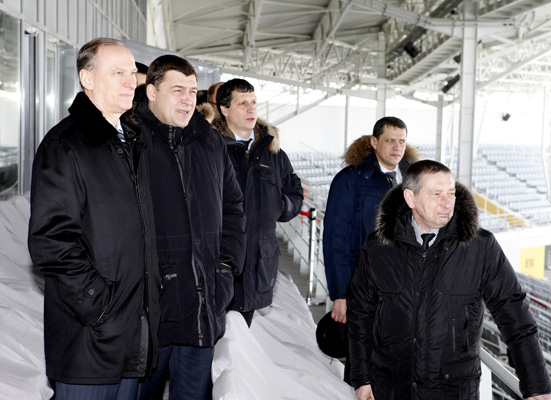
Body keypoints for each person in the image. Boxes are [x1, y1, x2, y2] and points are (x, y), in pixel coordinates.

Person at [346, 159, 551, 400]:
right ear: (410, 198)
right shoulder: (378, 247)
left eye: (451, 193)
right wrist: (361, 378)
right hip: (391, 386)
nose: (447, 203)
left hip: (453, 390)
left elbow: (515, 316)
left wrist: (537, 386)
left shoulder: (480, 247)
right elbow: (359, 314)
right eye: (436, 194)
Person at [28, 38, 161, 399]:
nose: (129, 80)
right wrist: (101, 305)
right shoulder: (66, 145)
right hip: (89, 340)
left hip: (133, 332)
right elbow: (51, 242)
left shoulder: (130, 142)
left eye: (131, 72)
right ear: (88, 79)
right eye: (117, 72)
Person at [122, 55, 246, 399]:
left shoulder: (210, 142)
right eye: (177, 90)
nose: (188, 98)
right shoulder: (128, 142)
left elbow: (234, 207)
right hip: (149, 312)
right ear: (151, 92)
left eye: (192, 90)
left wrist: (226, 267)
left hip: (203, 304)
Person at [212, 78, 303, 326]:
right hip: (220, 260)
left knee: (242, 341)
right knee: (215, 343)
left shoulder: (274, 152)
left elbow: (295, 193)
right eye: (242, 103)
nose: (251, 109)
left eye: (253, 102)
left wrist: (281, 206)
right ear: (224, 108)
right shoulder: (210, 148)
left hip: (258, 262)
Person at [323, 117, 420, 326]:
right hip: (364, 286)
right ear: (374, 142)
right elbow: (335, 239)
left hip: (406, 288)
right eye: (390, 141)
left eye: (402, 141)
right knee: (361, 353)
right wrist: (340, 294)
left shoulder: (417, 179)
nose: (397, 147)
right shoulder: (349, 180)